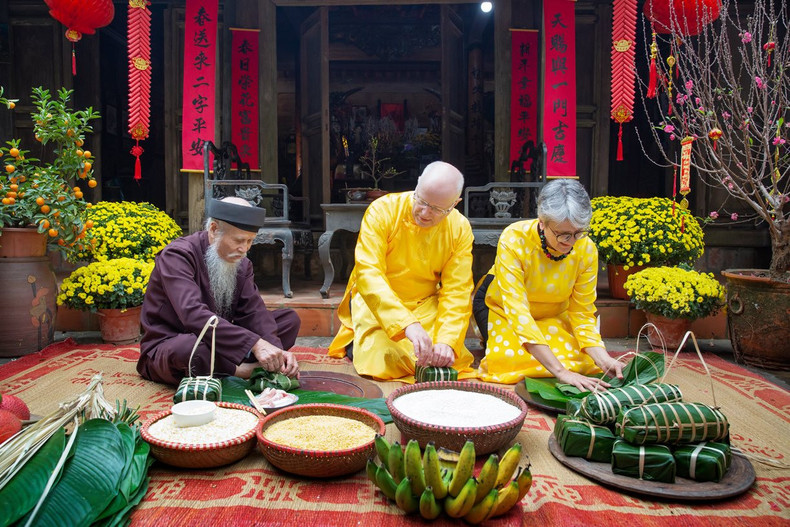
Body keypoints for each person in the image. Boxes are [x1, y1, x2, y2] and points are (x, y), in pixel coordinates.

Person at [327, 161, 476, 382]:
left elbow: (458, 290)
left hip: (424, 304)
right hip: (378, 304)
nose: (425, 213)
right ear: (417, 186)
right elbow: (369, 274)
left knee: (446, 354)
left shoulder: (460, 228)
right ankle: (359, 340)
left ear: (455, 204)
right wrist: (405, 324)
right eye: (422, 201)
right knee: (385, 357)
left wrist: (447, 340)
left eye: (436, 208)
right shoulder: (383, 211)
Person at [473, 179, 624, 391]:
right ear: (542, 223)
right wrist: (561, 373)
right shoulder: (514, 238)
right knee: (510, 361)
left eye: (577, 233)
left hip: (553, 315)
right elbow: (517, 310)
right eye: (563, 234)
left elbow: (582, 313)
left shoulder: (586, 249)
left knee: (582, 363)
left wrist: (603, 358)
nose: (571, 242)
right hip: (503, 311)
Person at [137, 197, 301, 386]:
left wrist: (275, 351)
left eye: (250, 241)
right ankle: (241, 371)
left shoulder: (242, 262)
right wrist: (255, 344)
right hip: (174, 343)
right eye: (239, 240)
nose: (244, 249)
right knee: (191, 348)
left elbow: (254, 311)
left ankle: (232, 362)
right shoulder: (178, 255)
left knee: (288, 320)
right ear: (214, 230)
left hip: (218, 338)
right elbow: (192, 314)